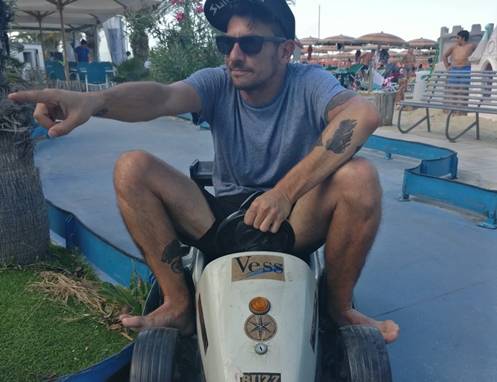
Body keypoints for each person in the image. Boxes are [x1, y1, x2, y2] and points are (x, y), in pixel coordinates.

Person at [8, 0, 399, 344]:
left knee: (361, 176)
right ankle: (178, 304)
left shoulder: (309, 83)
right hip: (222, 221)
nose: (234, 55)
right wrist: (94, 101)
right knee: (132, 168)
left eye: (250, 44)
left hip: (292, 219)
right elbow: (161, 97)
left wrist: (284, 193)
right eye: (226, 43)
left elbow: (362, 114)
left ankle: (338, 309)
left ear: (285, 51)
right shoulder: (218, 82)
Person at [442, 30, 477, 114]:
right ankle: (451, 110)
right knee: (452, 90)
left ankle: (459, 111)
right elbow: (445, 56)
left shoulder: (471, 46)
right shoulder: (454, 47)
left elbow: (479, 54)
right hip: (454, 69)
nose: (456, 39)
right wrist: (447, 66)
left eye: (458, 38)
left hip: (466, 69)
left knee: (462, 91)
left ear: (463, 38)